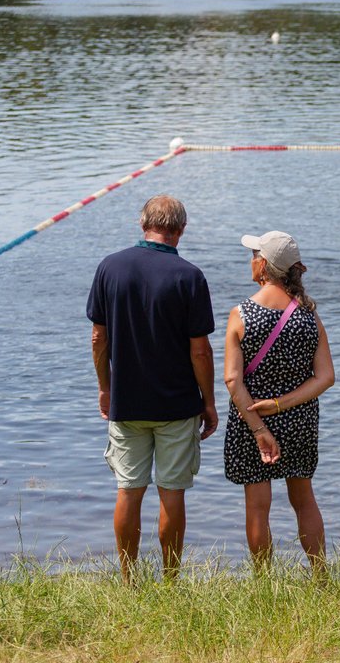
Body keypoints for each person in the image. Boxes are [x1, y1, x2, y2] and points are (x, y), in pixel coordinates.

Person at [87, 195, 217, 582]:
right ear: (181, 229)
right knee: (172, 492)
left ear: (142, 223)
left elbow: (98, 338)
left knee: (129, 490)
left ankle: (128, 579)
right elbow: (200, 350)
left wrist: (105, 388)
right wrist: (208, 402)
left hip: (127, 403)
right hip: (177, 405)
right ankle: (170, 581)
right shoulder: (189, 276)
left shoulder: (110, 267)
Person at [223, 231, 335, 575]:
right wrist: (281, 404)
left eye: (254, 254)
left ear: (263, 265)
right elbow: (325, 377)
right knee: (304, 500)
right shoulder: (307, 316)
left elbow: (232, 380)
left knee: (258, 507)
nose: (250, 259)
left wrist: (259, 426)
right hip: (298, 419)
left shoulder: (241, 314)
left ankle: (264, 582)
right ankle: (320, 577)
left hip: (251, 421)